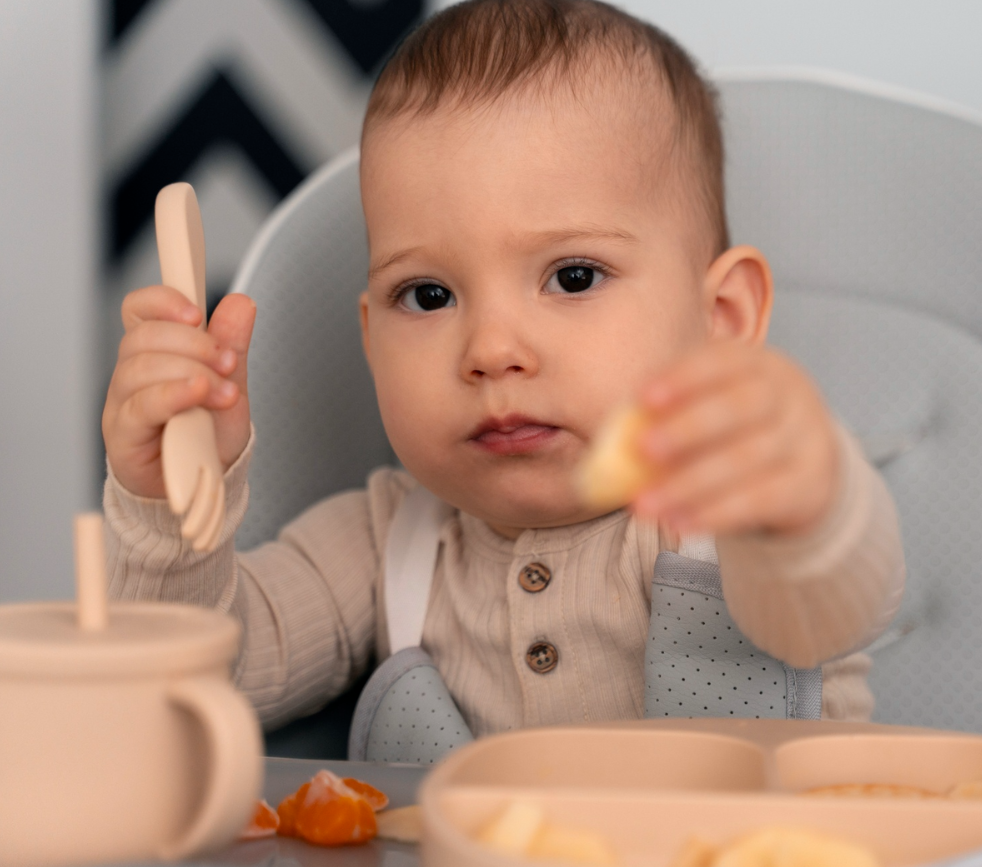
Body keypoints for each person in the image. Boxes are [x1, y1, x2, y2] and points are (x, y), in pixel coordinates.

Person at [100, 0, 905, 736]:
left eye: (573, 277)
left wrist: (806, 496)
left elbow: (830, 605)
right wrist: (170, 511)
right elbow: (192, 686)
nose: (491, 350)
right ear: (372, 338)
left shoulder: (723, 510)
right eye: (428, 294)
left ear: (722, 319)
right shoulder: (387, 544)